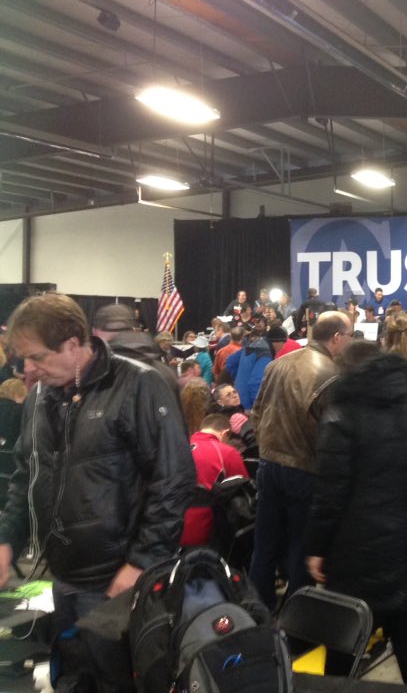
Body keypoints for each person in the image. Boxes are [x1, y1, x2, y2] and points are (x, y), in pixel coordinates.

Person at [0, 292, 194, 681]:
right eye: (23, 359)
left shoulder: (140, 386)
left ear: (74, 344)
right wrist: (6, 539)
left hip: (117, 579)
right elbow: (26, 476)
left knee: (117, 678)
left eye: (37, 357)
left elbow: (173, 480)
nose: (28, 370)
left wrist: (140, 562)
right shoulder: (39, 396)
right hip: (63, 575)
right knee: (75, 674)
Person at [306, 344, 407, 684]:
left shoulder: (341, 415)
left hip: (354, 547)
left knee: (344, 636)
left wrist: (317, 547)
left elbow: (330, 492)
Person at [249, 311, 350, 609]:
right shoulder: (331, 375)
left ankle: (258, 613)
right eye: (349, 335)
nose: (350, 341)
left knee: (264, 545)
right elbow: (331, 437)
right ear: (336, 338)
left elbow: (257, 412)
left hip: (268, 465)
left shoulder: (278, 363)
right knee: (301, 548)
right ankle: (295, 621)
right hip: (305, 470)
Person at [180, 413, 249, 548]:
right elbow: (244, 492)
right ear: (226, 433)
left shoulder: (179, 447)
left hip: (171, 529)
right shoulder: (228, 453)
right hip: (209, 535)